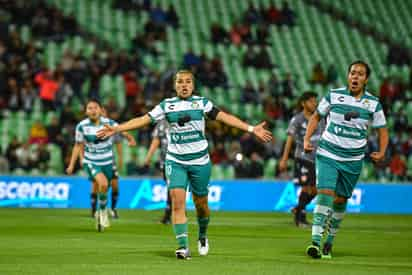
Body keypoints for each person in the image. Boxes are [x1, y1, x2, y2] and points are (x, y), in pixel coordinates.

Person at [97, 70, 272, 259]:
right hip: (175, 161)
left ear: (193, 85)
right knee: (177, 203)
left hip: (200, 162)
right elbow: (143, 120)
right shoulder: (167, 105)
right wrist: (117, 128)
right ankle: (182, 247)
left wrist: (252, 128)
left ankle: (202, 235)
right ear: (175, 86)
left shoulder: (202, 103)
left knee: (201, 205)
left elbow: (225, 117)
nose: (184, 85)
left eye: (188, 82)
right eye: (180, 82)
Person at [304, 61, 388, 259]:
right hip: (328, 152)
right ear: (348, 76)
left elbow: (382, 130)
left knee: (341, 199)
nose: (355, 77)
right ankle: (315, 242)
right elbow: (316, 117)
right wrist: (307, 139)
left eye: (360, 74)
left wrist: (382, 152)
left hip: (353, 159)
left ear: (366, 79)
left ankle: (329, 241)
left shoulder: (373, 104)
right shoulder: (333, 95)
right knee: (325, 193)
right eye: (352, 73)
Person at [66, 99, 119, 232]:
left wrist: (129, 138)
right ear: (86, 111)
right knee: (102, 183)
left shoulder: (108, 123)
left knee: (105, 187)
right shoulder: (81, 126)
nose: (93, 110)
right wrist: (71, 164)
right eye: (90, 108)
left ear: (101, 110)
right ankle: (102, 213)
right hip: (91, 161)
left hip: (107, 162)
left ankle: (101, 210)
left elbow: (121, 129)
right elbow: (78, 145)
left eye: (95, 107)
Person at [279, 91, 324, 227]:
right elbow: (289, 140)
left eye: (315, 101)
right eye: (311, 101)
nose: (314, 103)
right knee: (306, 188)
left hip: (318, 159)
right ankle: (300, 218)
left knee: (316, 190)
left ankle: (298, 208)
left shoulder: (320, 119)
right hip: (303, 158)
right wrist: (284, 159)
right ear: (303, 103)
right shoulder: (297, 119)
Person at [143, 119, 171, 224]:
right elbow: (156, 140)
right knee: (171, 186)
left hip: (179, 160)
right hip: (165, 160)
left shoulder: (181, 119)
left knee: (172, 186)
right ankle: (174, 213)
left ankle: (169, 215)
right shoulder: (162, 123)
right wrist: (148, 157)